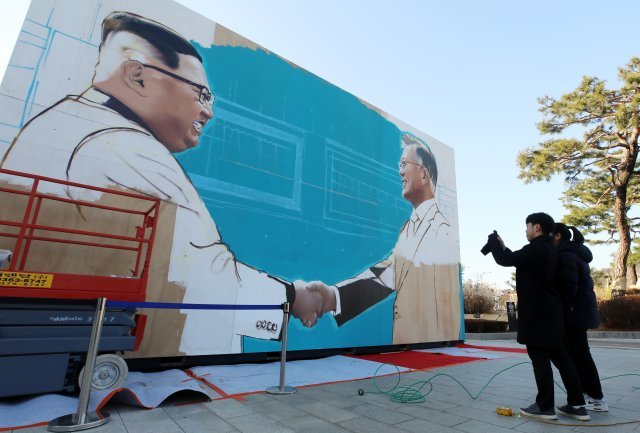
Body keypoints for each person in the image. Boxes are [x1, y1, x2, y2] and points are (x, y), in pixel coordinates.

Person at [0, 11, 322, 356]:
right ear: (138, 76)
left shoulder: (71, 125)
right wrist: (294, 297)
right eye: (200, 93)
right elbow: (204, 275)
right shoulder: (120, 146)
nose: (207, 111)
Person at [304, 132, 461, 344]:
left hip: (429, 352)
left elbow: (447, 305)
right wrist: (332, 297)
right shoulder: (407, 229)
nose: (400, 171)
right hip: (409, 349)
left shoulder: (442, 230)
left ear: (424, 175)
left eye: (404, 164)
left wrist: (440, 349)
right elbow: (386, 276)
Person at [485, 212, 589, 421]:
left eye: (528, 226)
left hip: (537, 313)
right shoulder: (550, 249)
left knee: (539, 357)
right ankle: (577, 404)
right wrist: (502, 246)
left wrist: (497, 246)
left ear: (537, 227)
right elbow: (517, 258)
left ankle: (544, 406)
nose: (526, 230)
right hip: (552, 312)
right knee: (561, 357)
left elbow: (507, 259)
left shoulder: (537, 248)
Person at [551, 223, 607, 411]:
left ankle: (596, 398)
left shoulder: (566, 255)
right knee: (580, 355)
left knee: (580, 356)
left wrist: (561, 311)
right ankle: (588, 394)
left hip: (574, 314)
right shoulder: (575, 253)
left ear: (557, 236)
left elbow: (568, 288)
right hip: (579, 312)